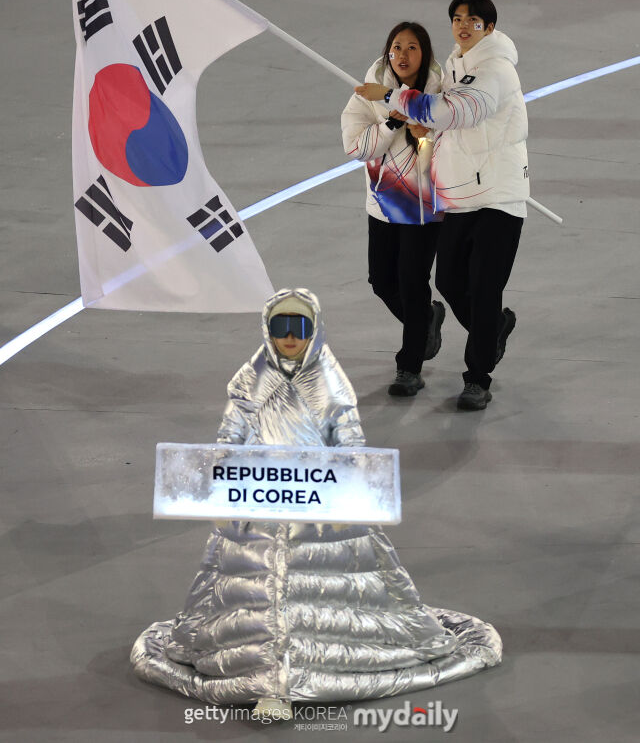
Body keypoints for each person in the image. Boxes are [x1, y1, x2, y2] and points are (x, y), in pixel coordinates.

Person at [131, 288, 502, 714]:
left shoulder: (329, 383)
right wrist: (220, 482)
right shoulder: (250, 381)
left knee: (307, 585)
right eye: (280, 326)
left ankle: (287, 677)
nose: (289, 337)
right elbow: (229, 437)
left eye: (299, 327)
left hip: (318, 503)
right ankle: (270, 680)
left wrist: (349, 492)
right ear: (267, 330)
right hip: (259, 502)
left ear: (315, 330)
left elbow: (349, 441)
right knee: (261, 585)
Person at [355, 0, 529, 411]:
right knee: (450, 283)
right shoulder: (456, 65)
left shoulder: (494, 69)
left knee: (485, 289)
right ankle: (493, 331)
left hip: (498, 197)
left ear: (489, 26)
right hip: (460, 196)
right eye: (456, 19)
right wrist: (424, 126)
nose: (463, 26)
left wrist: (394, 99)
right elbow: (446, 125)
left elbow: (460, 111)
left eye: (472, 20)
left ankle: (477, 379)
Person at [341, 22, 446, 397]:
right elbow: (355, 148)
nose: (402, 55)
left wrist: (429, 135)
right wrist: (389, 122)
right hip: (383, 205)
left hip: (424, 208)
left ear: (425, 54)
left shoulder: (441, 94)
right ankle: (426, 322)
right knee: (381, 281)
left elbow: (456, 144)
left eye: (412, 48)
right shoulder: (368, 94)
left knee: (412, 283)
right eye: (396, 47)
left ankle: (409, 367)